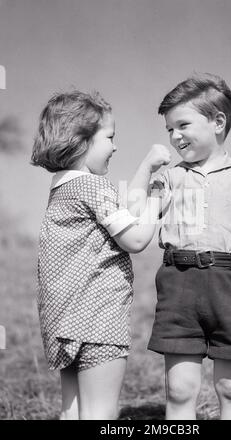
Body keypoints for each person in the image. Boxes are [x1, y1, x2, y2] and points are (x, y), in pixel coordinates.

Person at [128, 73, 231, 420]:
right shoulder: (168, 178)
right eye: (169, 129)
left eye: (182, 124)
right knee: (180, 390)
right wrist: (146, 167)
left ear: (217, 121)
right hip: (178, 284)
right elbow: (136, 216)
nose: (174, 136)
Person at [31, 90, 170, 420]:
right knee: (101, 413)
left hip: (64, 321)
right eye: (110, 137)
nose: (115, 146)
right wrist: (154, 203)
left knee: (73, 411)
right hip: (99, 320)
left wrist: (146, 167)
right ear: (81, 141)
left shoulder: (63, 190)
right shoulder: (92, 189)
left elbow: (123, 213)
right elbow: (135, 237)